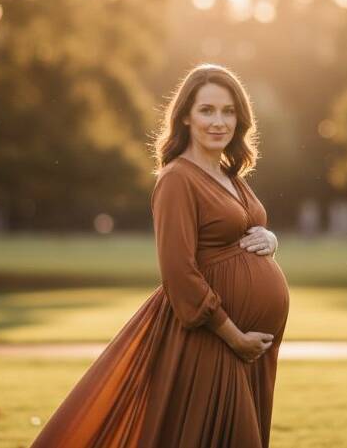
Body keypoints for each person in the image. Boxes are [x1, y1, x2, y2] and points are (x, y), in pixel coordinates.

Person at [30, 63, 290, 448]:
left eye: (228, 111)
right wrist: (234, 337)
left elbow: (242, 232)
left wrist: (270, 239)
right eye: (207, 110)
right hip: (214, 339)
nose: (219, 121)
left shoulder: (230, 176)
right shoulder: (177, 179)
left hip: (247, 347)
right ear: (185, 116)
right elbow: (178, 272)